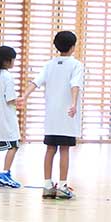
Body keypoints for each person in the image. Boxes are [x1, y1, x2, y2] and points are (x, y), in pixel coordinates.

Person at [19, 31, 83, 200]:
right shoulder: (76, 65)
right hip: (67, 116)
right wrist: (74, 104)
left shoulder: (49, 64)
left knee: (50, 149)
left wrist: (24, 96)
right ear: (72, 47)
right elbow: (75, 84)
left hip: (51, 116)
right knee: (64, 150)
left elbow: (36, 81)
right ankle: (62, 186)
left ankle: (47, 185)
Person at [0, 45, 22, 188]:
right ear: (8, 61)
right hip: (5, 119)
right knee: (13, 145)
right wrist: (19, 102)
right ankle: (6, 174)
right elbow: (10, 99)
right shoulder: (7, 77)